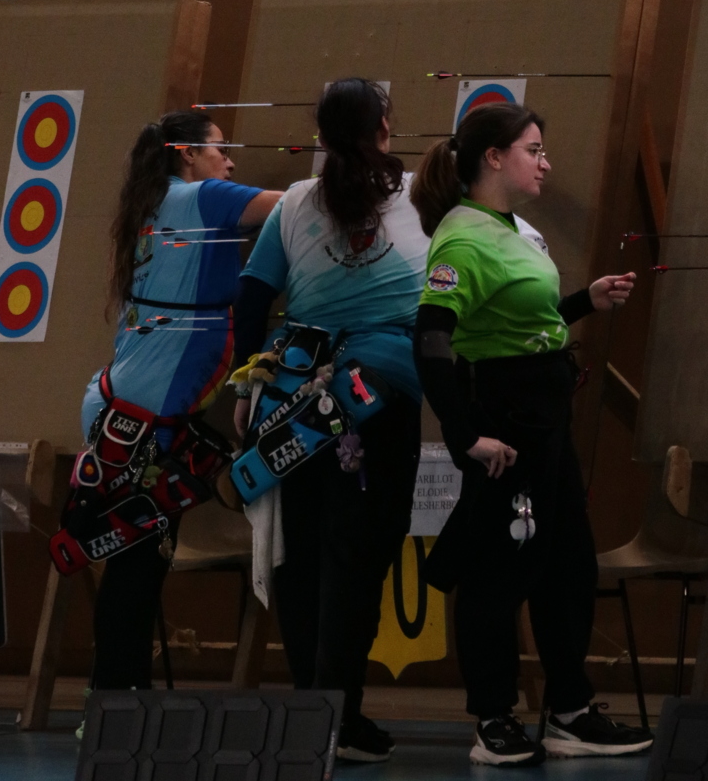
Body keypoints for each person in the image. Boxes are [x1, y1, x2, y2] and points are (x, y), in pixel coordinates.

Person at [410, 102, 653, 766]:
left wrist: (583, 302)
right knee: (499, 569)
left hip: (545, 422)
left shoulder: (514, 229)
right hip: (505, 426)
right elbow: (431, 341)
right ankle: (493, 718)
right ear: (494, 158)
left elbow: (525, 322)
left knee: (567, 564)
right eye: (534, 150)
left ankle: (570, 710)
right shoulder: (463, 239)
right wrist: (466, 438)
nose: (545, 163)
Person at [232, 78, 429, 763]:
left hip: (290, 395)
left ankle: (315, 711)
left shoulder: (293, 201)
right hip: (377, 398)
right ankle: (337, 714)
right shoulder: (419, 198)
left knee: (303, 553)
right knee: (359, 556)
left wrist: (246, 384)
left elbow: (251, 299)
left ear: (320, 136)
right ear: (383, 129)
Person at [80, 109, 282, 691]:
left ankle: (116, 698)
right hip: (139, 418)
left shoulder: (157, 203)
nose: (230, 162)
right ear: (187, 154)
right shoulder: (202, 197)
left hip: (127, 409)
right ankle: (114, 702)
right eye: (220, 148)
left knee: (140, 560)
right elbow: (297, 204)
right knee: (138, 565)